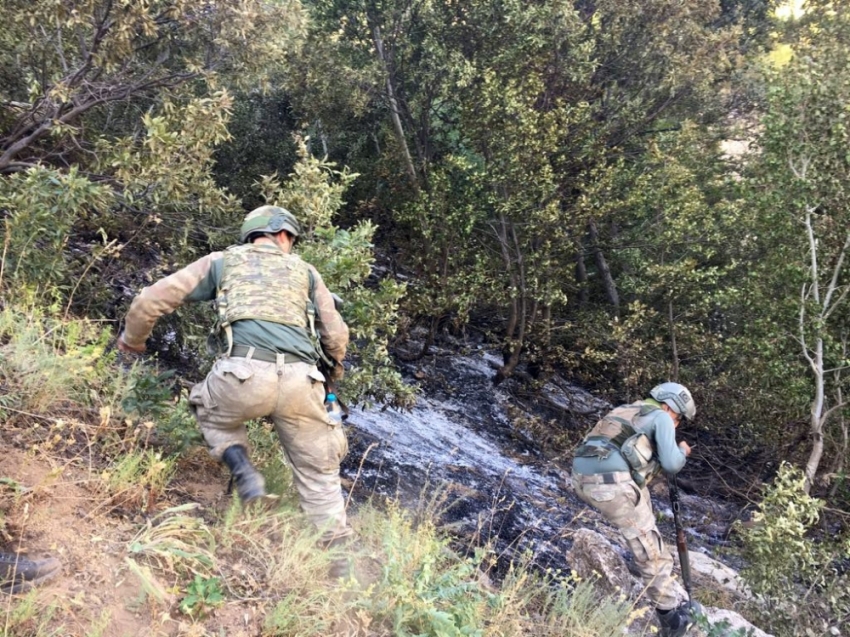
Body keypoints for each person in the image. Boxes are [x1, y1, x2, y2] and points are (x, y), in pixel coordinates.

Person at [117, 205, 354, 577]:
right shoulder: (307, 273)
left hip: (241, 374)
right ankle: (339, 567)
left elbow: (150, 300)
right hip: (303, 381)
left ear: (251, 235)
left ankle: (244, 470)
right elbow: (336, 335)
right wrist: (332, 374)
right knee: (319, 472)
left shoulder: (220, 263)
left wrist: (133, 342)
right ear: (283, 235)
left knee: (211, 413)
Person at [571, 382, 701, 637]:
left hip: (580, 479)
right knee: (649, 546)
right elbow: (672, 463)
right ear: (668, 406)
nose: (676, 424)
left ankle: (652, 587)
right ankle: (671, 619)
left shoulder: (626, 409)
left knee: (640, 515)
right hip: (612, 484)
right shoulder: (661, 417)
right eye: (679, 418)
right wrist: (683, 451)